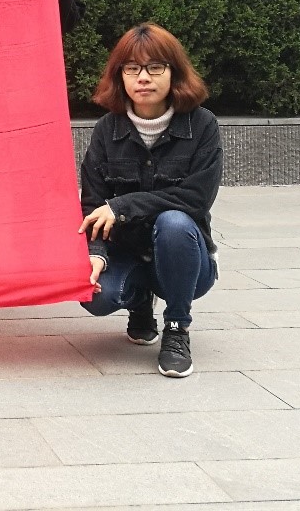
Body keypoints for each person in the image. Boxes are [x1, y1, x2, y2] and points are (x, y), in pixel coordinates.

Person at [78, 22, 221, 378]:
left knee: (174, 222)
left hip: (185, 257)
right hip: (127, 252)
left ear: (175, 72)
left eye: (155, 67)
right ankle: (140, 301)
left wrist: (122, 206)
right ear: (120, 76)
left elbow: (195, 199)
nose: (143, 77)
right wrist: (95, 254)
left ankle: (177, 327)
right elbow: (92, 203)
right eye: (132, 68)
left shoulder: (202, 125)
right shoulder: (106, 130)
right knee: (94, 295)